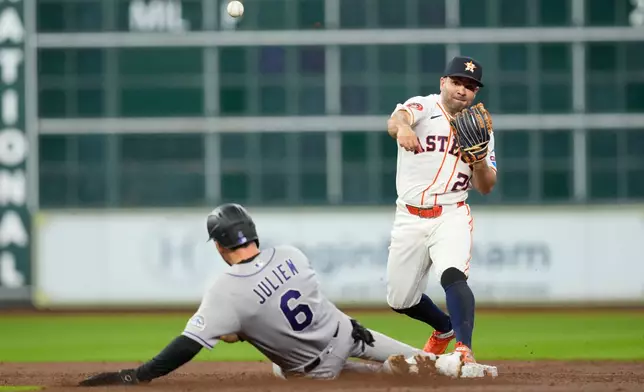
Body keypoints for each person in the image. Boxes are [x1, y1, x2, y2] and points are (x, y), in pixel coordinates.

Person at [78, 203, 457, 387]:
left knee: (299, 370)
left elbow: (187, 345)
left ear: (218, 246)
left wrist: (140, 375)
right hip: (350, 332)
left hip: (317, 370)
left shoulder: (226, 292)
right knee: (427, 364)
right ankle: (459, 367)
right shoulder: (291, 253)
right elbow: (293, 299)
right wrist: (242, 325)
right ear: (253, 232)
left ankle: (391, 373)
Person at [384, 56, 497, 364]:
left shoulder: (480, 129)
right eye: (458, 82)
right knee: (399, 299)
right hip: (409, 216)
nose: (463, 90)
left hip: (451, 212)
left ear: (475, 93)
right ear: (443, 82)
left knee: (452, 274)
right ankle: (444, 328)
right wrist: (404, 129)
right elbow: (397, 119)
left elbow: (486, 186)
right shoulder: (423, 107)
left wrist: (479, 159)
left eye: (470, 86)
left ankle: (464, 349)